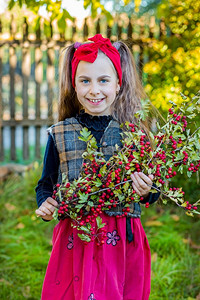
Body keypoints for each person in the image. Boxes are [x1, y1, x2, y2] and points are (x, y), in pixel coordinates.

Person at [35, 34, 160, 300]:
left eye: (103, 80)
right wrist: (46, 205)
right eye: (85, 81)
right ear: (74, 85)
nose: (94, 90)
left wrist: (146, 190)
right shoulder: (59, 134)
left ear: (118, 84)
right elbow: (45, 184)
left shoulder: (134, 134)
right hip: (76, 236)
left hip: (121, 238)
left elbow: (156, 189)